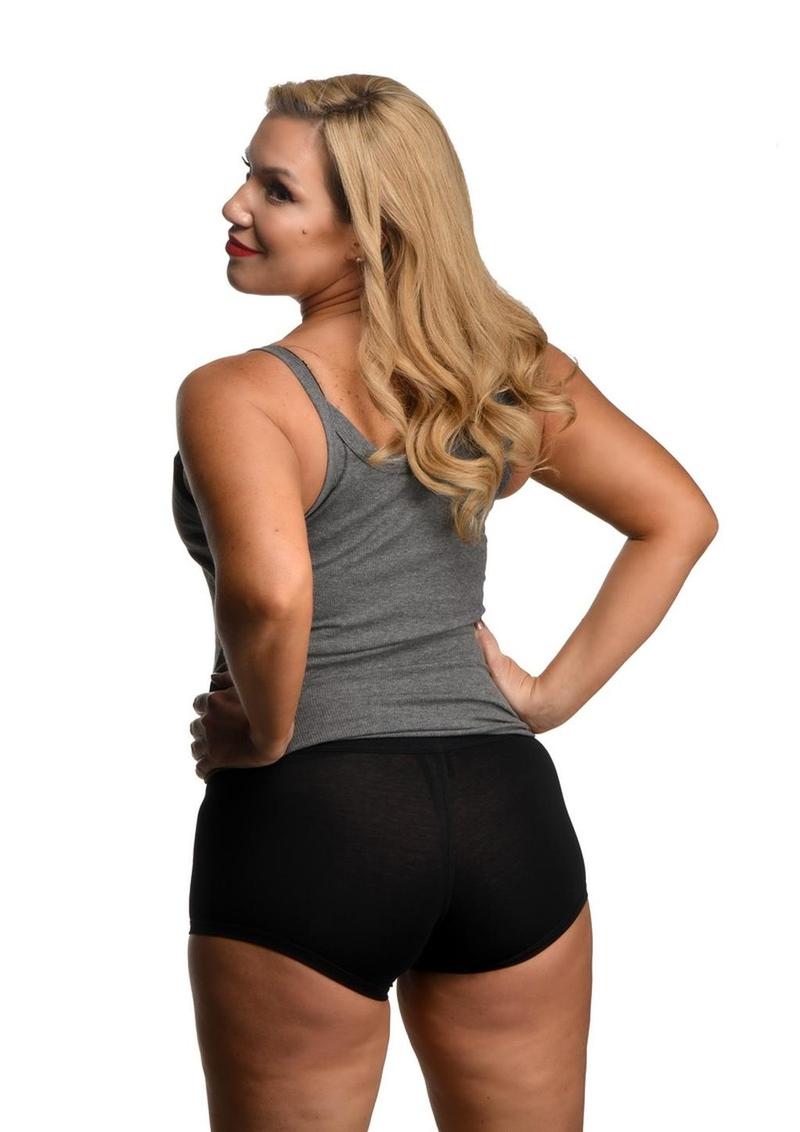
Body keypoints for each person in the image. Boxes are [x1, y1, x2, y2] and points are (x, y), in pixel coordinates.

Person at [171, 74, 718, 1132]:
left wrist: (265, 734)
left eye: (275, 189)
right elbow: (677, 517)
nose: (235, 205)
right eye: (248, 175)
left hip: (314, 817)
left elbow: (274, 593)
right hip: (507, 814)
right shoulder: (502, 371)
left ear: (369, 232)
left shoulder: (237, 393)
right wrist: (544, 700)